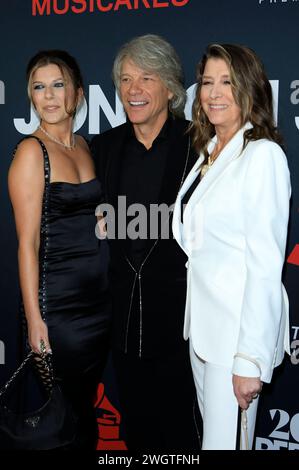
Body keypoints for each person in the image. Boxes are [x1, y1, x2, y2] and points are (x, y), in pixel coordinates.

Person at [172, 43, 291, 450]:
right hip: (204, 333)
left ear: (250, 90)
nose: (214, 93)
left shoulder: (263, 156)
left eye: (227, 82)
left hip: (236, 339)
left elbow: (265, 265)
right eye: (207, 82)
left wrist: (250, 360)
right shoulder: (209, 153)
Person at [91, 34, 201, 453]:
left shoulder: (201, 147)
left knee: (183, 439)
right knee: (138, 437)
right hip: (123, 328)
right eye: (125, 79)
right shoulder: (103, 149)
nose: (133, 90)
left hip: (186, 329)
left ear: (170, 88)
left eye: (146, 78)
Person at [8, 50, 111, 449]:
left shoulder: (85, 146)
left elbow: (93, 216)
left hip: (99, 306)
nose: (48, 97)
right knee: (65, 423)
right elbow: (27, 244)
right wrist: (35, 320)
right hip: (58, 311)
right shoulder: (32, 153)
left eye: (58, 85)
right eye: (39, 87)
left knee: (85, 413)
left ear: (78, 94)